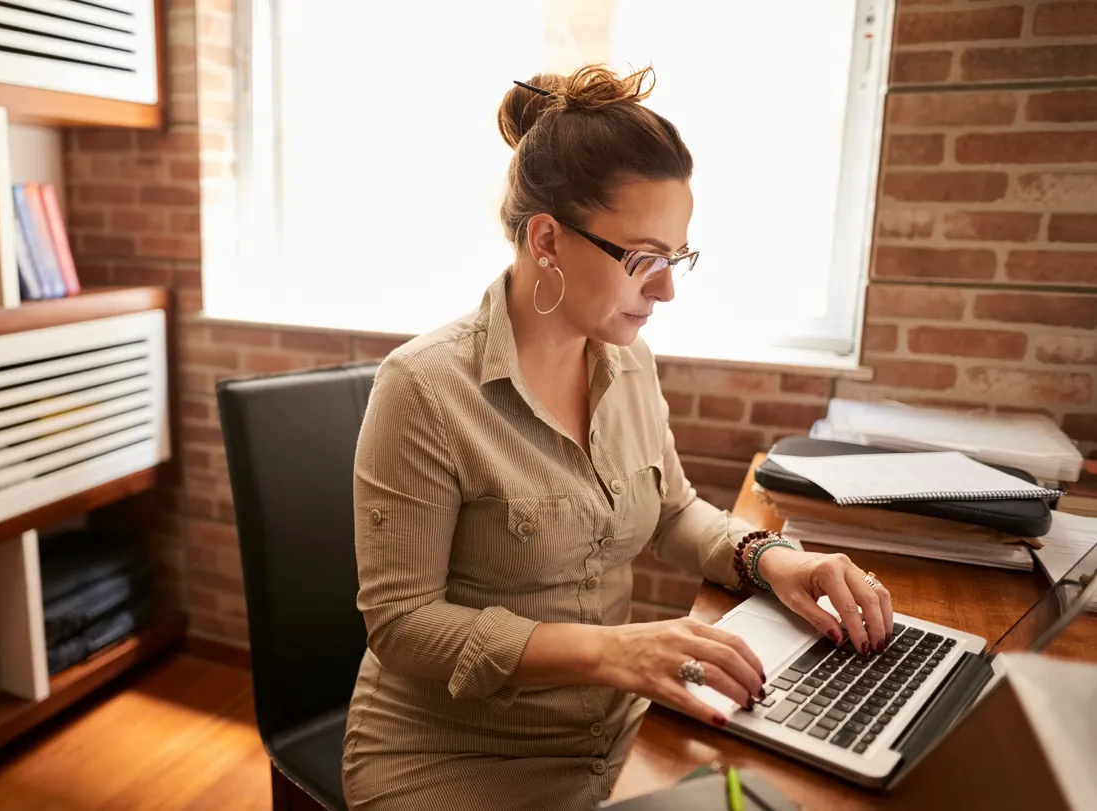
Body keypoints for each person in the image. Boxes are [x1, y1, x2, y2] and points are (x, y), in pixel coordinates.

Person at [341, 64, 893, 811]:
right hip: (454, 749)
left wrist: (772, 558)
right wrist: (617, 650)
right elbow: (403, 625)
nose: (666, 288)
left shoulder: (627, 358)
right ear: (545, 240)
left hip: (614, 717)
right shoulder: (424, 388)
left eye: (676, 256)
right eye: (643, 258)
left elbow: (670, 511)